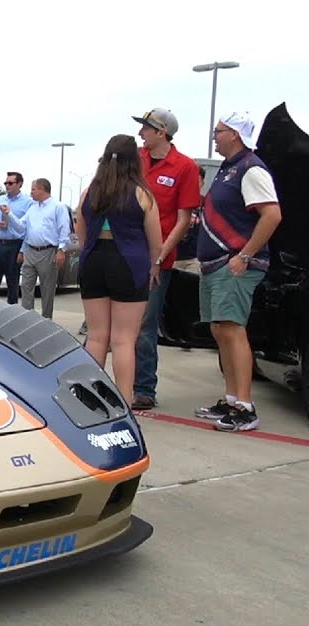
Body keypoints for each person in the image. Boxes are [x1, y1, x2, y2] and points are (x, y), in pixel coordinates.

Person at [193, 111, 282, 432]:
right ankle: (231, 399)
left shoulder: (251, 168)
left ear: (235, 134)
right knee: (220, 329)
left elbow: (271, 214)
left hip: (235, 263)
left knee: (232, 328)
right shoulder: (229, 169)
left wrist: (245, 254)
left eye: (219, 131)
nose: (214, 135)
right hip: (215, 263)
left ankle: (245, 406)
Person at [74, 134, 163, 402]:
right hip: (128, 264)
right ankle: (124, 400)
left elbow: (81, 232)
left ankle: (87, 399)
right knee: (124, 340)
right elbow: (155, 242)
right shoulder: (141, 193)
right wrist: (153, 268)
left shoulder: (90, 192)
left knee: (96, 336)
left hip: (93, 262)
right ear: (134, 160)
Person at [128, 108, 201, 410]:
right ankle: (119, 383)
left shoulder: (184, 167)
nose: (140, 133)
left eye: (145, 128)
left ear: (162, 132)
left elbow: (184, 218)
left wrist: (159, 256)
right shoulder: (135, 159)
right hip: (126, 253)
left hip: (157, 259)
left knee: (145, 324)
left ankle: (144, 388)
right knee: (118, 325)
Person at [1, 178, 71, 319]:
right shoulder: (32, 208)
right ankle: (28, 320)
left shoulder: (58, 207)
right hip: (31, 251)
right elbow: (21, 227)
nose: (31, 192)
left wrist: (61, 250)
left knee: (47, 290)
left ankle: (46, 321)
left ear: (42, 189)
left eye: (33, 189)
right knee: (26, 287)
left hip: (48, 251)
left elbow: (65, 229)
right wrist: (9, 214)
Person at [0, 172, 31, 303]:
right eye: (6, 183)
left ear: (19, 184)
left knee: (13, 282)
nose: (7, 186)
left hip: (15, 244)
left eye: (10, 183)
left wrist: (22, 250)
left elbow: (27, 229)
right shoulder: (0, 200)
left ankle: (11, 312)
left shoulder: (28, 202)